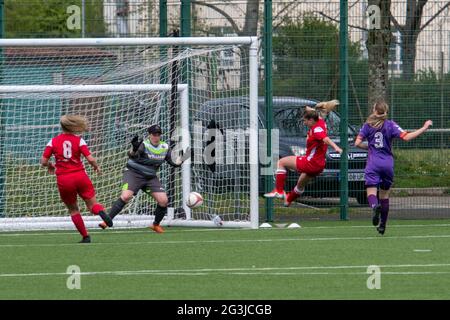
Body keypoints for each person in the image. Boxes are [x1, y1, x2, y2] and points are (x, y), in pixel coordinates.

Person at [355, 101, 433, 235]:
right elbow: (407, 137)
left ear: (374, 111)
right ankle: (382, 226)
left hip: (373, 163)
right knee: (384, 195)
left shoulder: (368, 125)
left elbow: (357, 143)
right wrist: (424, 127)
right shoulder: (391, 125)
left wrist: (371, 147)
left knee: (371, 192)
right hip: (387, 164)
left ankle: (374, 207)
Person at [99, 124, 186, 233]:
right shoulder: (144, 145)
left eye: (158, 134)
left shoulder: (165, 147)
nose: (156, 136)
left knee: (163, 201)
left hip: (150, 178)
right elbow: (132, 156)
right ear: (149, 135)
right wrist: (134, 149)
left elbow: (173, 162)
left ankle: (155, 225)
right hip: (134, 174)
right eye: (154, 134)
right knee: (126, 196)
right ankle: (107, 221)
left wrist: (182, 158)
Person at [40, 115, 113, 243]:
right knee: (93, 205)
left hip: (64, 179)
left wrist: (51, 165)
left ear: (62, 127)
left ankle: (85, 237)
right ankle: (101, 212)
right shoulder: (79, 140)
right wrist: (96, 167)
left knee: (73, 209)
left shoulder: (53, 141)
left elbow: (43, 161)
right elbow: (90, 158)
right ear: (73, 126)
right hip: (80, 176)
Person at [264, 100, 343, 207]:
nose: (304, 123)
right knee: (300, 184)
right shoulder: (320, 122)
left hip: (311, 163)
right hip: (319, 165)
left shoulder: (316, 130)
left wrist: (336, 147)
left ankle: (278, 190)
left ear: (311, 120)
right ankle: (288, 199)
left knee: (281, 162)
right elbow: (312, 112)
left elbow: (325, 139)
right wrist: (313, 108)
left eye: (305, 121)